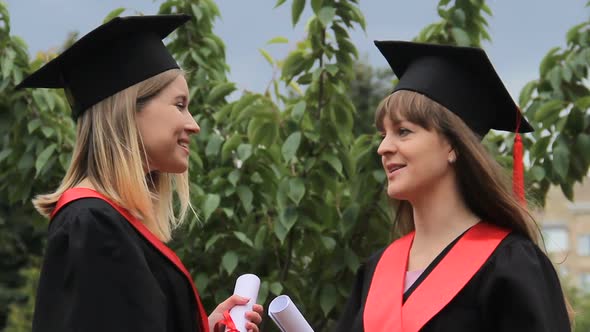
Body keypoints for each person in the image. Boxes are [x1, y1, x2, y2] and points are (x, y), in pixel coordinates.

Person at [16, 14, 262, 332]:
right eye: (179, 105)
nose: (194, 124)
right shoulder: (93, 226)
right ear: (130, 109)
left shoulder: (105, 224)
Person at [333, 41, 571, 331]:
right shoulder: (375, 271)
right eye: (383, 134)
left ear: (453, 146)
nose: (383, 147)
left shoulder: (510, 266)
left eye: (403, 132)